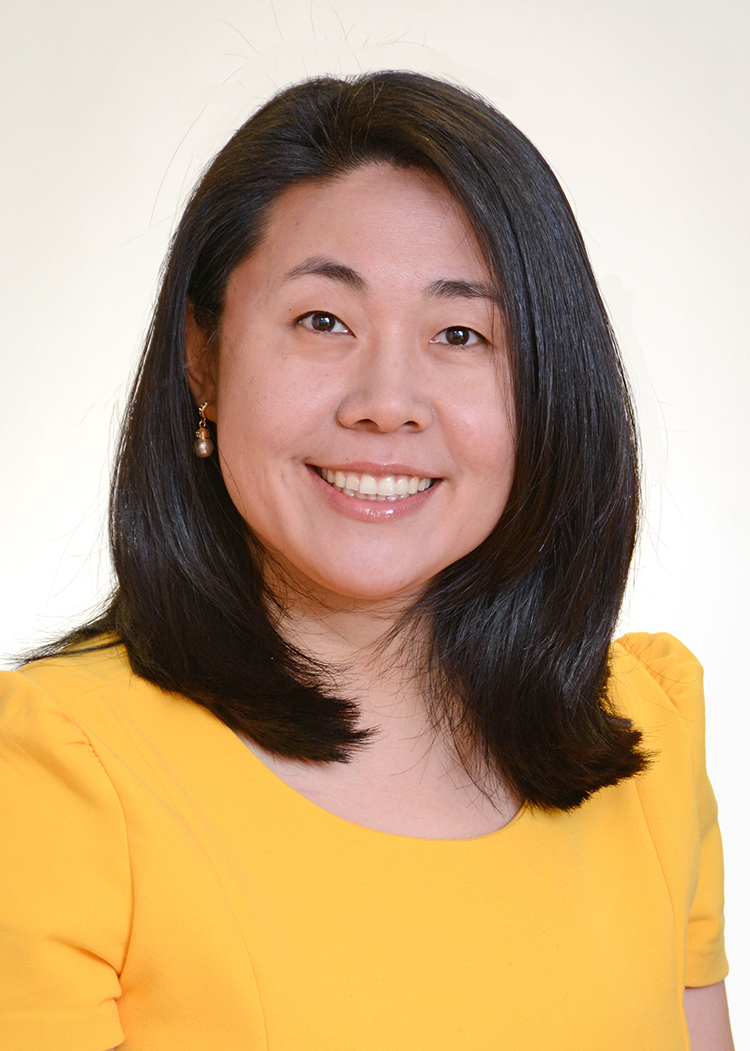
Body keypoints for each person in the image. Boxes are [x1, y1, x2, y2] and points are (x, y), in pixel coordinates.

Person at [0, 71, 733, 1050]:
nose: (387, 400)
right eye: (322, 321)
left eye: (462, 333)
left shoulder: (645, 734)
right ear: (203, 357)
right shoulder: (57, 774)